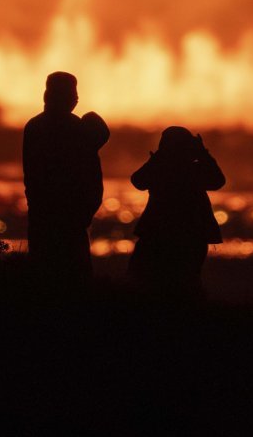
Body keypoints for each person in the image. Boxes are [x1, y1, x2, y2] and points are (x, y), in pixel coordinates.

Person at [21, 72, 109, 286]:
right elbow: (90, 174)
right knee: (73, 279)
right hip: (68, 217)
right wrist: (86, 210)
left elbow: (31, 177)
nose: (76, 99)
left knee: (45, 278)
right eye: (72, 93)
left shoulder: (34, 126)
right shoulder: (76, 129)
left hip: (44, 215)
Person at [128, 127, 225, 297]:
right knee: (185, 283)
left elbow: (138, 180)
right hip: (189, 235)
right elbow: (217, 180)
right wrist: (202, 153)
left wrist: (158, 156)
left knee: (151, 283)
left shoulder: (162, 168)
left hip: (160, 233)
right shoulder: (193, 170)